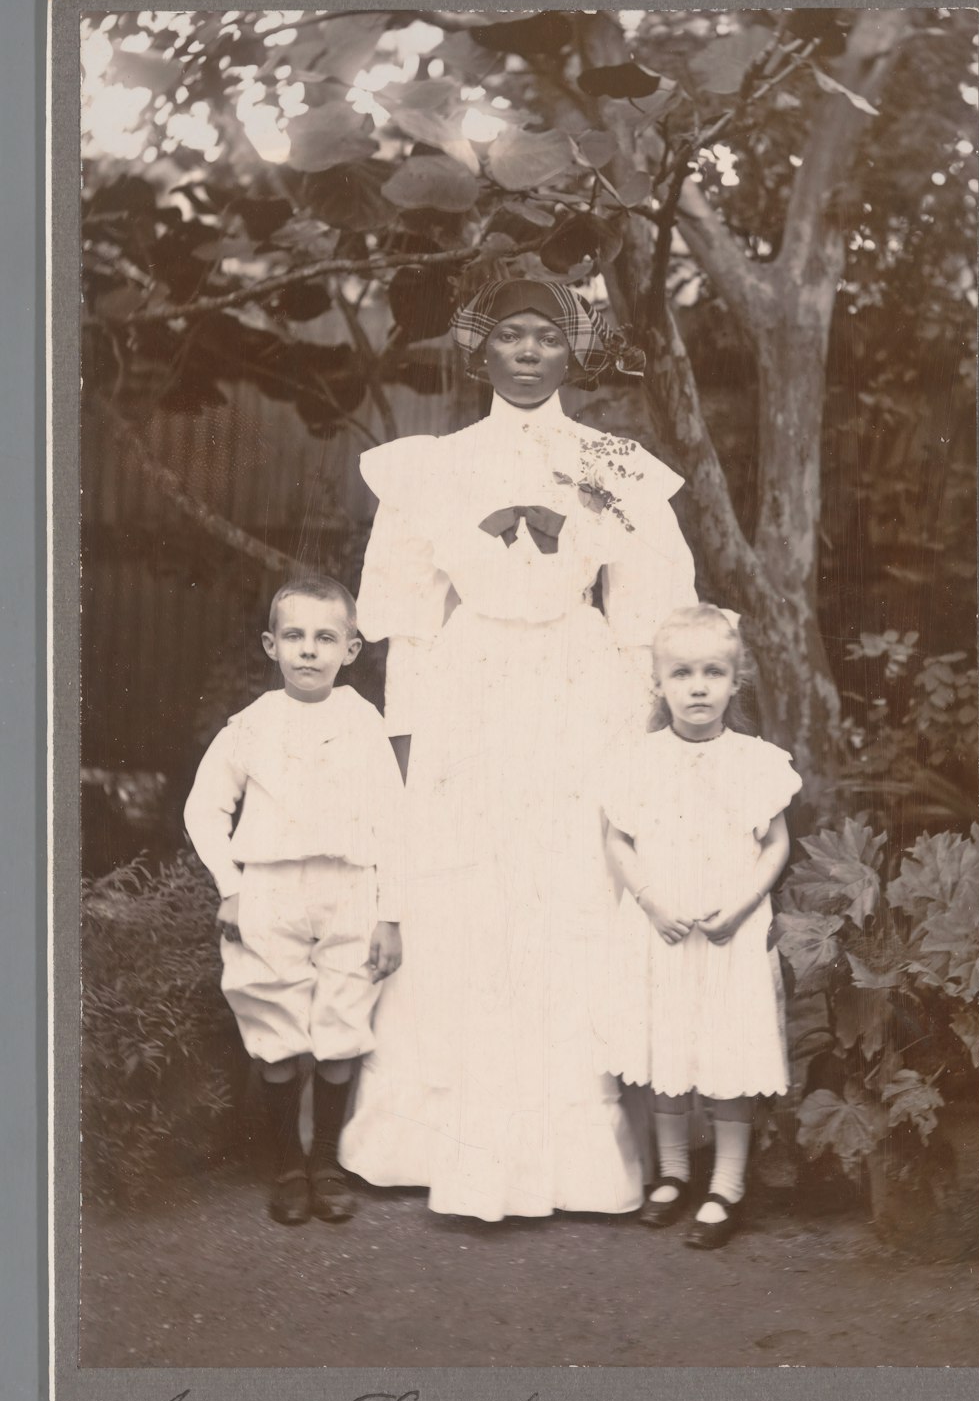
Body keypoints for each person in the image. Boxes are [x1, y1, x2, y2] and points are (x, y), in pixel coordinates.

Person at [338, 278, 698, 1222]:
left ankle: (579, 1158)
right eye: (511, 337)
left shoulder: (614, 465)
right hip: (472, 688)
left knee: (569, 888)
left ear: (572, 352)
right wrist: (408, 745)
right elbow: (409, 625)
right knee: (469, 895)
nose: (529, 353)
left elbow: (642, 617)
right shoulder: (431, 467)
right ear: (480, 352)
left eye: (547, 337)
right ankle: (439, 1144)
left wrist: (634, 739)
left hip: (579, 693)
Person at [184, 576, 404, 1226]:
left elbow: (393, 821)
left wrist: (389, 913)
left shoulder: (364, 724)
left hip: (348, 888)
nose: (309, 651)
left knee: (342, 1025)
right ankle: (286, 1162)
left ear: (352, 649)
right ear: (271, 645)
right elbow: (205, 809)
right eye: (295, 637)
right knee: (273, 1025)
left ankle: (327, 1161)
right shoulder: (250, 727)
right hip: (269, 889)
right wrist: (230, 886)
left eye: (326, 638)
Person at [600, 604, 801, 1249]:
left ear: (735, 683)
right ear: (658, 684)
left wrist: (743, 906)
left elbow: (775, 844)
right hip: (664, 929)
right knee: (670, 1048)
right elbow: (618, 840)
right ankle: (675, 1174)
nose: (697, 687)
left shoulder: (755, 761)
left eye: (714, 672)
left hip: (728, 933)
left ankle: (728, 1184)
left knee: (726, 1053)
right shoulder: (639, 759)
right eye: (682, 673)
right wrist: (652, 901)